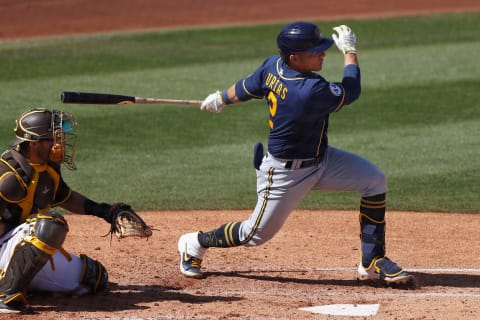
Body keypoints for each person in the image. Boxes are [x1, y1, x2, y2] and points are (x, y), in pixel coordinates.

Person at [178, 22, 412, 285]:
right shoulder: (309, 90)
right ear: (294, 58)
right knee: (253, 235)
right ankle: (194, 243)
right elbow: (352, 90)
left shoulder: (272, 66)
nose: (323, 54)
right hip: (285, 174)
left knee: (374, 180)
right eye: (316, 51)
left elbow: (246, 87)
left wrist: (221, 98)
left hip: (323, 160)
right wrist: (350, 50)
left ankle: (372, 260)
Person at [0, 108, 143, 313]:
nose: (60, 144)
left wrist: (106, 211)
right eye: (53, 139)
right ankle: (5, 296)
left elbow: (67, 199)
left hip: (14, 248)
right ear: (34, 143)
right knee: (49, 225)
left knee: (93, 278)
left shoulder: (46, 170)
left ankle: (17, 279)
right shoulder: (7, 176)